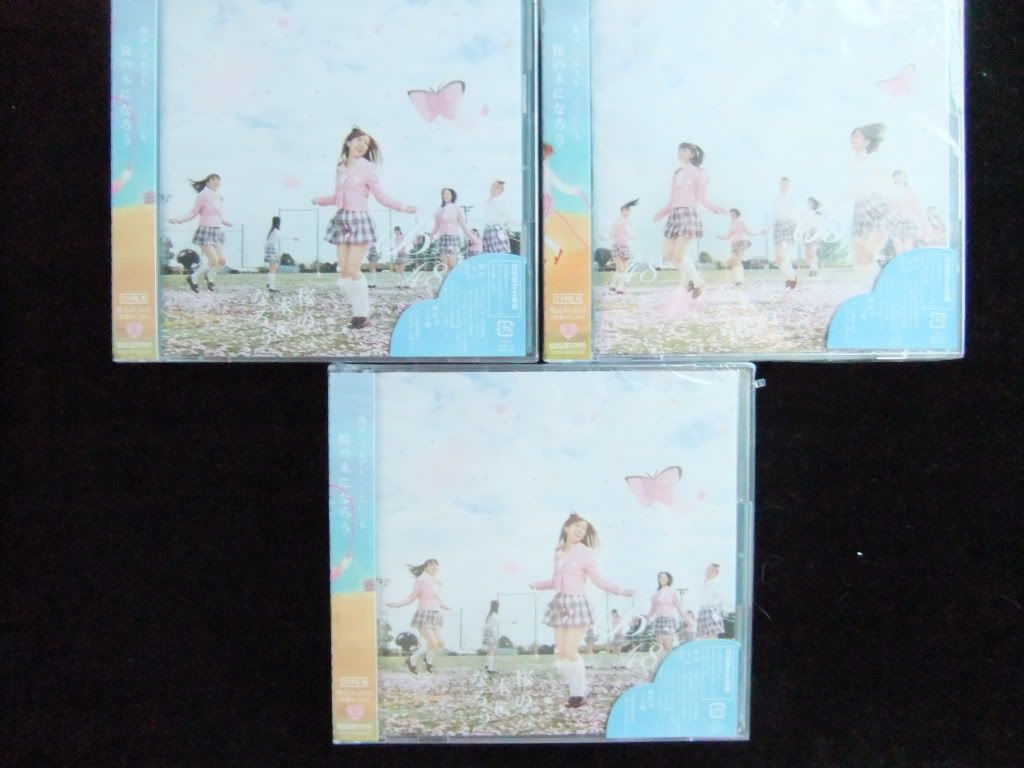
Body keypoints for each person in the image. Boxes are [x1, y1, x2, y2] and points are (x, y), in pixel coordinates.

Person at [312, 127, 416, 328]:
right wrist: (319, 200)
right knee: (344, 272)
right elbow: (337, 196)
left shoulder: (368, 168)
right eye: (359, 140)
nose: (362, 145)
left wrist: (403, 207)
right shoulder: (340, 167)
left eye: (366, 143)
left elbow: (381, 196)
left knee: (352, 269)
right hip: (341, 219)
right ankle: (359, 311)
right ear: (348, 142)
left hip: (359, 220)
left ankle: (362, 313)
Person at [529, 513, 635, 708]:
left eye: (584, 528)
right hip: (560, 604)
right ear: (567, 528)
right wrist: (536, 584)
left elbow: (598, 580)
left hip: (577, 604)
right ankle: (576, 691)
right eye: (577, 526)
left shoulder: (586, 553)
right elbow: (555, 580)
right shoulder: (558, 551)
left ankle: (580, 691)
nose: (580, 530)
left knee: (570, 650)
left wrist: (620, 590)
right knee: (561, 653)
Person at [652, 142, 728, 299]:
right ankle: (692, 281)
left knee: (678, 256)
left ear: (692, 154)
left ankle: (697, 282)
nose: (680, 152)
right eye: (679, 149)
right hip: (674, 215)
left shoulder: (699, 173)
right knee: (668, 256)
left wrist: (717, 209)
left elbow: (702, 198)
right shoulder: (677, 173)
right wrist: (661, 213)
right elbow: (672, 199)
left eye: (684, 150)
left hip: (688, 214)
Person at [168, 173, 232, 292]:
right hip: (205, 231)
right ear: (207, 182)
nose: (216, 181)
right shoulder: (202, 195)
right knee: (214, 259)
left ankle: (209, 276)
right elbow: (193, 213)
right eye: (213, 179)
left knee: (222, 260)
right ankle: (193, 278)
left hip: (217, 231)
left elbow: (218, 214)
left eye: (218, 179)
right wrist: (178, 220)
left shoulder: (219, 196)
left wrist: (225, 221)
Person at [386, 559, 450, 674]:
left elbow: (436, 599)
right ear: (425, 567)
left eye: (436, 565)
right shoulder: (421, 580)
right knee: (432, 643)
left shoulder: (437, 581)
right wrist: (397, 604)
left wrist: (445, 606)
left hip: (435, 615)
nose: (434, 567)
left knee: (440, 643)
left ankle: (428, 659)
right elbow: (411, 597)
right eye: (431, 565)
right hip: (424, 615)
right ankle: (412, 659)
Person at [430, 188, 478, 274]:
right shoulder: (439, 209)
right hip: (442, 238)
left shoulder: (456, 208)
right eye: (444, 194)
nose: (445, 195)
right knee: (444, 265)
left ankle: (454, 281)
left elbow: (463, 225)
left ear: (452, 196)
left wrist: (472, 238)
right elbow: (437, 225)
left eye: (448, 194)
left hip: (452, 238)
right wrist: (431, 235)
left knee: (452, 264)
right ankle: (445, 281)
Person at [717, 208, 763, 287]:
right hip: (733, 244)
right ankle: (740, 279)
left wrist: (759, 233)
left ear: (737, 214)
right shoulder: (731, 224)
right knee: (735, 262)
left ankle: (738, 281)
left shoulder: (741, 221)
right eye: (731, 214)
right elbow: (728, 236)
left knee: (737, 261)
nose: (731, 215)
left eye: (733, 214)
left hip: (741, 242)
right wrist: (719, 237)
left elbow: (748, 232)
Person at [647, 571, 686, 659]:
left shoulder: (672, 591)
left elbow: (679, 607)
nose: (661, 579)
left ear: (668, 579)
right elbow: (652, 608)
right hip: (658, 620)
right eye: (660, 577)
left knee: (668, 645)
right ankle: (661, 663)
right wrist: (646, 617)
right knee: (660, 646)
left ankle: (670, 663)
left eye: (664, 577)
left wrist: (687, 619)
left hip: (668, 619)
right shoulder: (655, 593)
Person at [772, 178, 799, 289]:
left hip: (788, 227)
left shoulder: (791, 200)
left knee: (783, 256)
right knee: (778, 259)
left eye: (786, 185)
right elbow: (776, 216)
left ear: (789, 187)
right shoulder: (777, 199)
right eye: (781, 184)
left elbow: (794, 216)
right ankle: (791, 277)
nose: (783, 187)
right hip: (778, 227)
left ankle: (792, 278)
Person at [607, 199, 638, 294]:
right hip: (617, 246)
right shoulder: (617, 221)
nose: (627, 212)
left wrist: (630, 236)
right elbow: (611, 234)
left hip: (625, 247)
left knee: (621, 269)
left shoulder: (628, 222)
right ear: (621, 211)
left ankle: (612, 285)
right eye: (625, 210)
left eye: (628, 210)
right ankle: (620, 288)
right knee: (621, 269)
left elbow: (630, 235)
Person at [481, 180, 512, 254]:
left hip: (496, 230)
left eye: (497, 188)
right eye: (493, 186)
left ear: (501, 191)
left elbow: (508, 216)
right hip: (487, 230)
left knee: (499, 253)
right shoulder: (487, 202)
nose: (493, 189)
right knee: (488, 254)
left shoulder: (500, 202)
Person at [697, 563, 726, 639]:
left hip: (712, 611)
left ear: (716, 573)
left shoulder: (716, 584)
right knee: (702, 636)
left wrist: (717, 611)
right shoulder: (703, 584)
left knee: (712, 635)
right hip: (702, 611)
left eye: (711, 570)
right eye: (708, 569)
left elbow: (722, 599)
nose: (708, 571)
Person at [264, 215, 282, 292]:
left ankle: (268, 283)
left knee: (273, 267)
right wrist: (293, 238)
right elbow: (282, 237)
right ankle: (271, 287)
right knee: (273, 268)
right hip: (272, 250)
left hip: (269, 250)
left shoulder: (272, 231)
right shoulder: (275, 231)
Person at [482, 600, 499, 675]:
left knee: (490, 651)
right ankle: (490, 668)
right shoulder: (495, 615)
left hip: (487, 633)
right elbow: (492, 626)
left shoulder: (490, 615)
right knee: (492, 651)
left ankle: (487, 665)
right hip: (491, 633)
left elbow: (487, 625)